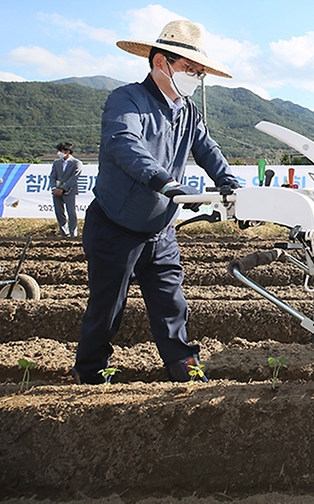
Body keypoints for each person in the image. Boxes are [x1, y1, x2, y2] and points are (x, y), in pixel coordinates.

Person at [72, 20, 240, 385]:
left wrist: (231, 185)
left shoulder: (188, 111)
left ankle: (186, 372)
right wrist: (166, 183)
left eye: (199, 72)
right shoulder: (127, 99)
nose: (195, 77)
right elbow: (124, 144)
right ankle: (90, 376)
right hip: (114, 228)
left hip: (160, 231)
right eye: (189, 69)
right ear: (161, 62)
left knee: (171, 306)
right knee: (107, 310)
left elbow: (208, 150)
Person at [50, 141, 83, 237]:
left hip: (70, 191)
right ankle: (64, 233)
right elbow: (52, 176)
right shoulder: (56, 163)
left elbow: (74, 178)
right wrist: (54, 188)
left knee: (71, 212)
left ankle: (73, 233)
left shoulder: (76, 163)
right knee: (59, 212)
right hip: (56, 191)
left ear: (67, 151)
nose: (59, 153)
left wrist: (63, 189)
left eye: (61, 151)